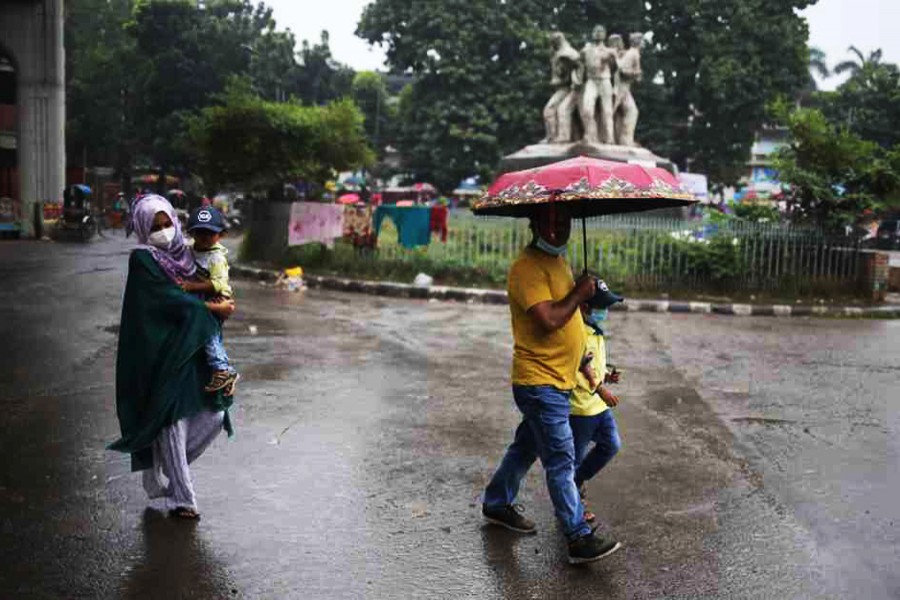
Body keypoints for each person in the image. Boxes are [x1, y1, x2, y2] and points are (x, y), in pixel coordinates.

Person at [481, 202, 622, 565]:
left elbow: (570, 313)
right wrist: (578, 293)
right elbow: (548, 319)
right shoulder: (526, 268)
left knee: (525, 447)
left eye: (564, 220)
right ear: (534, 222)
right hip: (540, 381)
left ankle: (497, 502)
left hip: (559, 379)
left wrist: (582, 289)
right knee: (561, 459)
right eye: (550, 220)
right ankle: (578, 537)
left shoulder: (558, 261)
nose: (558, 228)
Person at [108, 194, 236, 520]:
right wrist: (215, 309)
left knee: (214, 415)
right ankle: (183, 498)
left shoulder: (186, 255)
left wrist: (215, 305)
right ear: (142, 229)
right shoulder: (143, 259)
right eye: (154, 227)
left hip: (192, 350)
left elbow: (209, 288)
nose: (163, 232)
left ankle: (166, 464)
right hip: (161, 355)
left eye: (167, 224)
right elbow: (168, 301)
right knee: (173, 422)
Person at [570, 280, 624, 523]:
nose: (605, 311)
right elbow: (579, 368)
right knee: (572, 460)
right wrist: (601, 388)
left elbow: (592, 367)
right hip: (581, 409)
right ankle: (573, 508)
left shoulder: (594, 329)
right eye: (601, 307)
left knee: (611, 445)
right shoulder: (576, 333)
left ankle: (576, 481)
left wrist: (606, 377)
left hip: (598, 407)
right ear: (584, 307)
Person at [180, 206, 240, 395]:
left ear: (221, 235)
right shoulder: (191, 250)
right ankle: (227, 375)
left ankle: (222, 369)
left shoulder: (216, 257)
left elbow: (218, 283)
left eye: (210, 233)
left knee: (209, 334)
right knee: (208, 335)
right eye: (200, 232)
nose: (205, 237)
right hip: (202, 298)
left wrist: (192, 286)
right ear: (191, 233)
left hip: (217, 297)